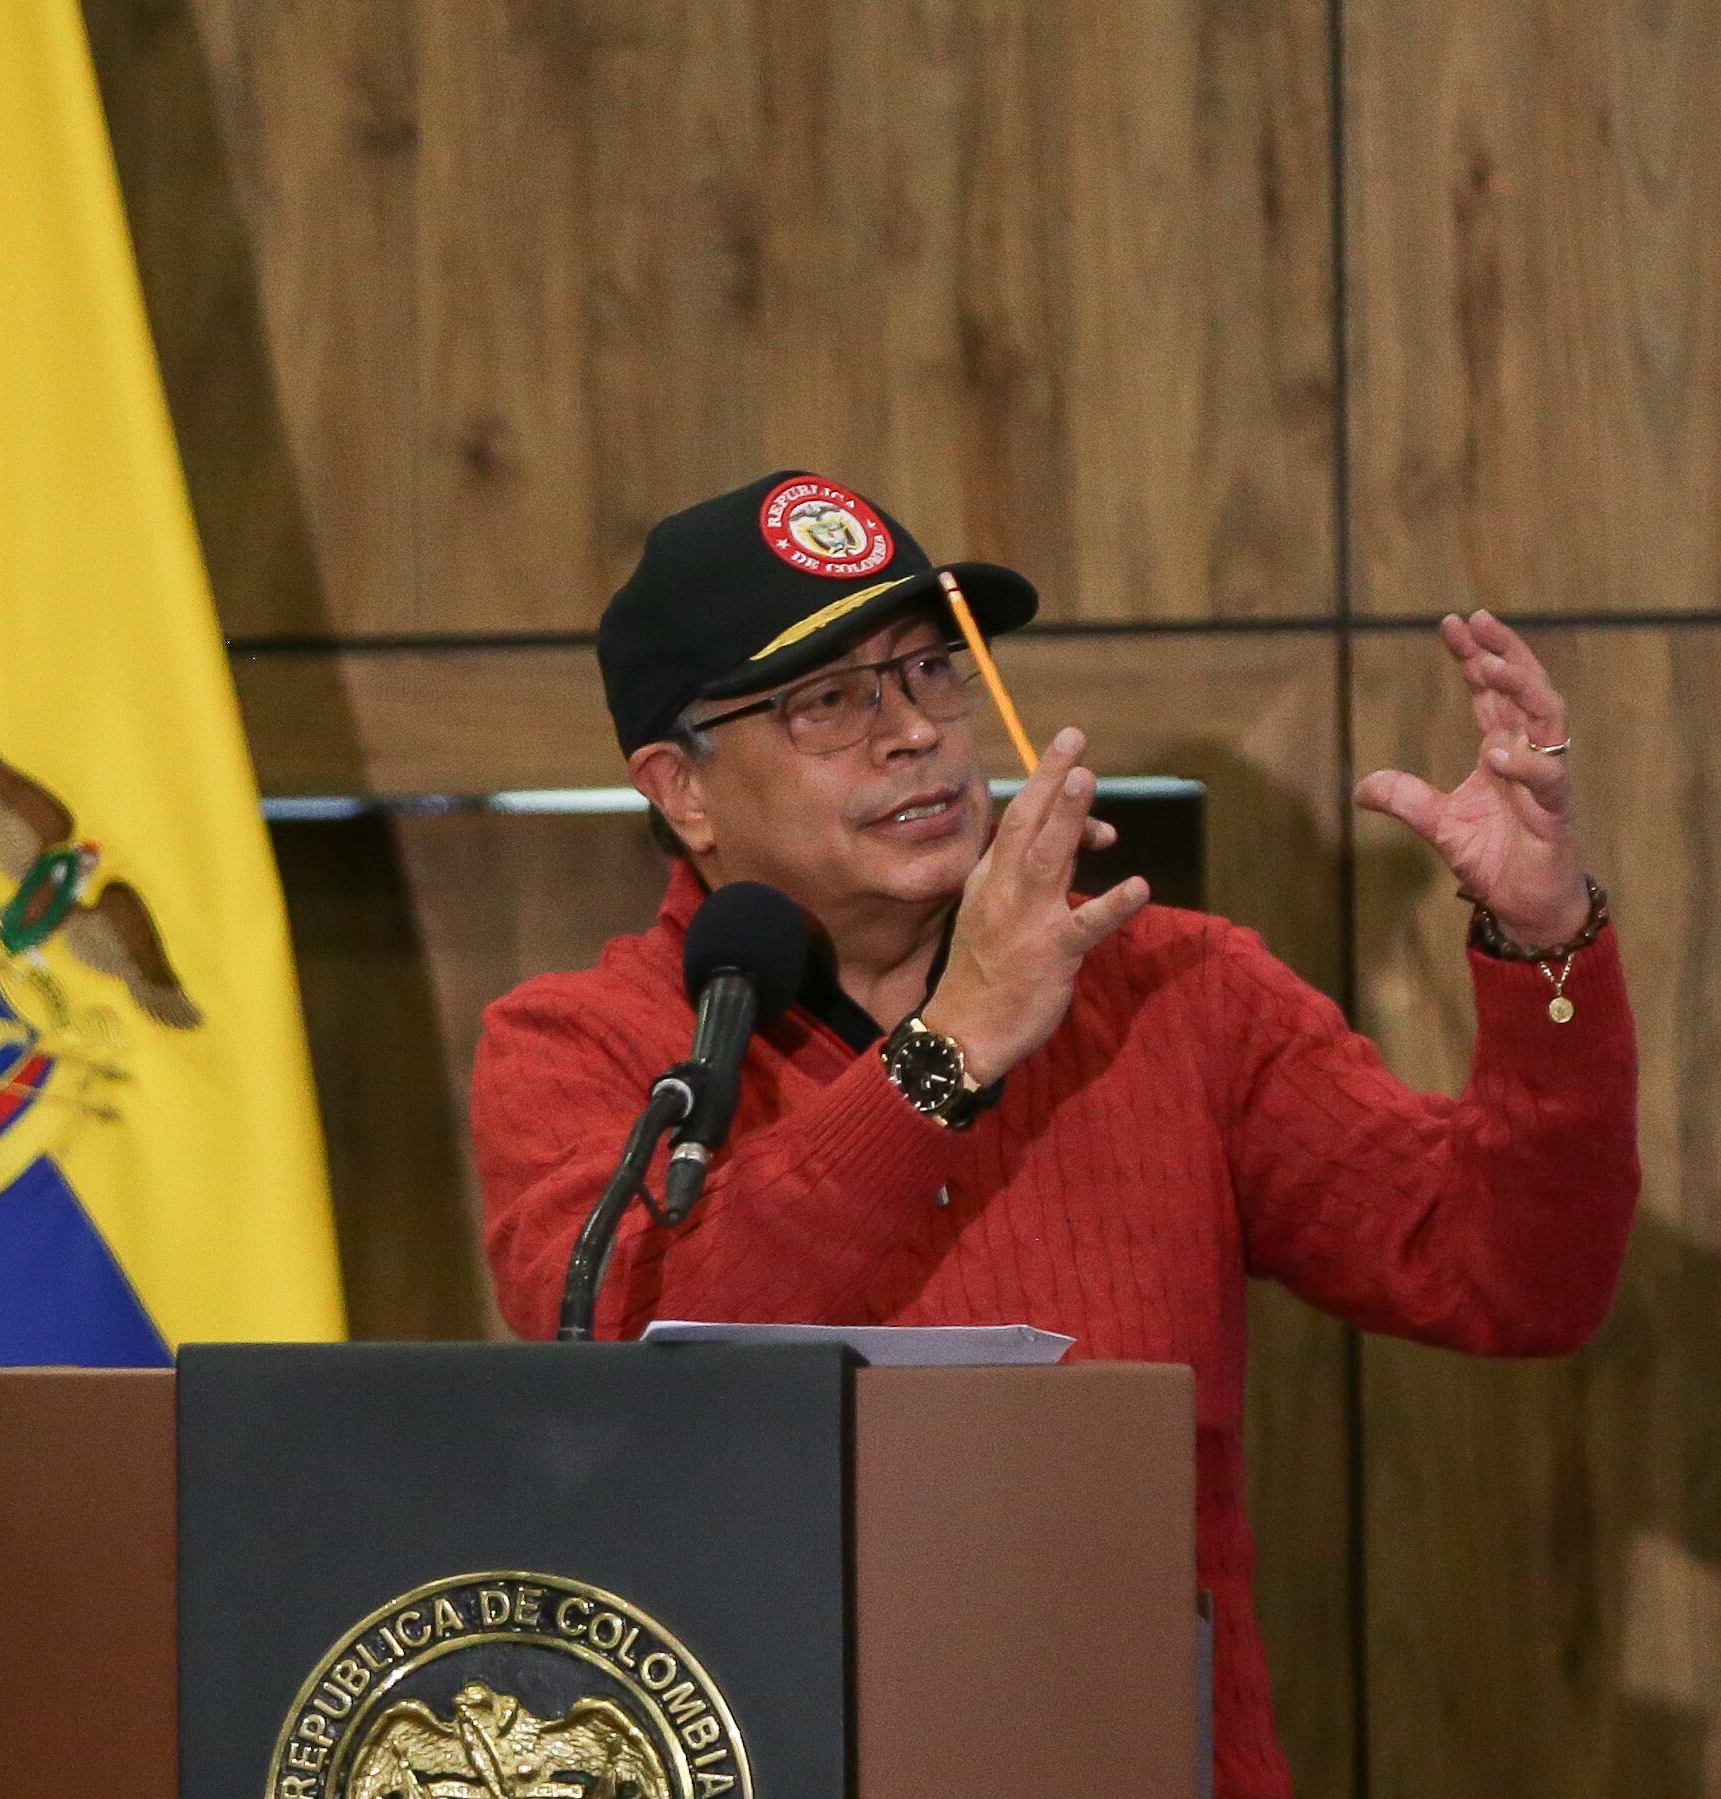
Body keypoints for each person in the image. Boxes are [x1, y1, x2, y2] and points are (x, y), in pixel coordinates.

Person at [470, 470, 1641, 1798]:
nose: (914, 734)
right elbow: (630, 1355)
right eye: (830, 701)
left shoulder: (1180, 992)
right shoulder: (579, 1047)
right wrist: (948, 1053)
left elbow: (1514, 1281)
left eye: (930, 673)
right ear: (682, 789)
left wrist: (1544, 947)